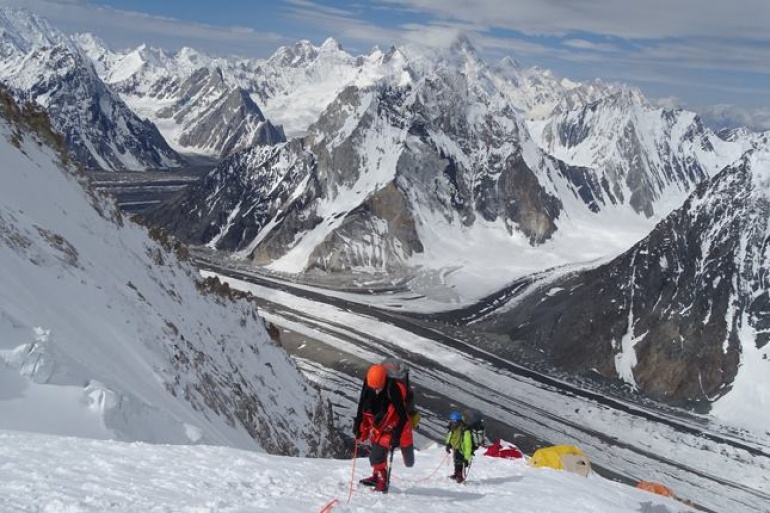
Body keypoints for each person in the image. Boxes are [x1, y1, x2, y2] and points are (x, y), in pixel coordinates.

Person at [353, 363, 414, 493]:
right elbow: (362, 404)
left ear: (384, 381)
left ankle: (381, 479)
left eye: (378, 387)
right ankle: (378, 477)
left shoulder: (393, 389)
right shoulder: (369, 384)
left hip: (396, 427)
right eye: (373, 387)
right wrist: (358, 423)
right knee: (377, 454)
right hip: (380, 426)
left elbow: (403, 416)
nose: (376, 390)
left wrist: (396, 436)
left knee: (406, 462)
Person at [444, 410, 473, 483]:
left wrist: (467, 457)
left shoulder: (465, 430)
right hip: (455, 447)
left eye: (453, 421)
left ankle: (460, 476)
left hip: (461, 449)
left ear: (458, 421)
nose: (452, 423)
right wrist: (448, 444)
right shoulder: (453, 428)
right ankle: (456, 474)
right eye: (452, 421)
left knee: (460, 462)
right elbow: (450, 436)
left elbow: (468, 444)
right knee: (456, 461)